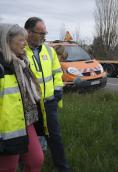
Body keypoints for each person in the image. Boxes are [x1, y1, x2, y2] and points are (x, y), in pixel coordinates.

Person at [24, 17, 70, 172]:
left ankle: (63, 168)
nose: (44, 36)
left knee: (54, 137)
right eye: (40, 33)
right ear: (28, 32)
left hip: (49, 102)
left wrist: (57, 90)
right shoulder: (19, 51)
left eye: (45, 32)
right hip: (29, 104)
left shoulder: (49, 51)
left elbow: (57, 73)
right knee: (28, 139)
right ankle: (29, 165)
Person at [0, 23, 44, 172]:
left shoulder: (23, 63)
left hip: (26, 120)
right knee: (8, 167)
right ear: (7, 41)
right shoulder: (2, 66)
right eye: (21, 40)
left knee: (36, 160)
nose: (25, 43)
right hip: (7, 127)